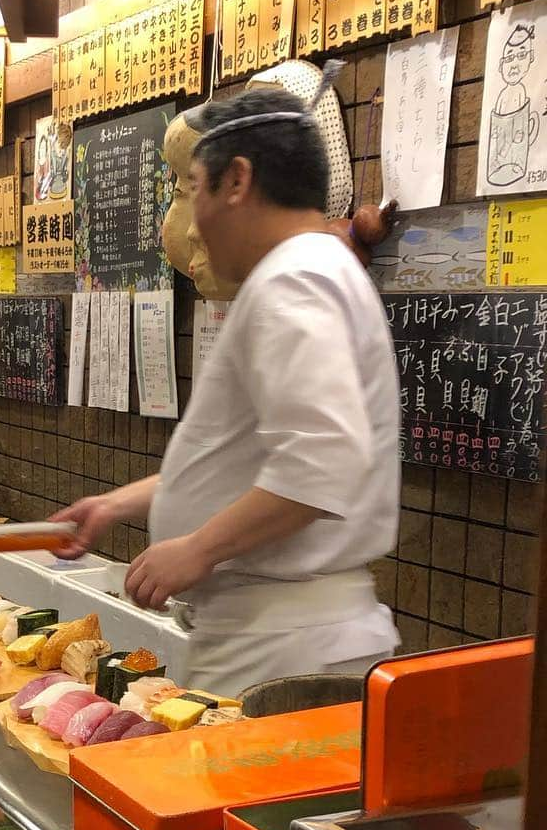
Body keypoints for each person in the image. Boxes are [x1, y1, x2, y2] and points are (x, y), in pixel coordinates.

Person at [53, 78, 400, 696]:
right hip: (276, 641)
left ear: (236, 181)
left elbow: (322, 463)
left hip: (281, 649)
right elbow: (268, 461)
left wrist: (199, 550)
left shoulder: (294, 279)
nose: (192, 225)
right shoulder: (312, 270)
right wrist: (118, 506)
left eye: (192, 190)